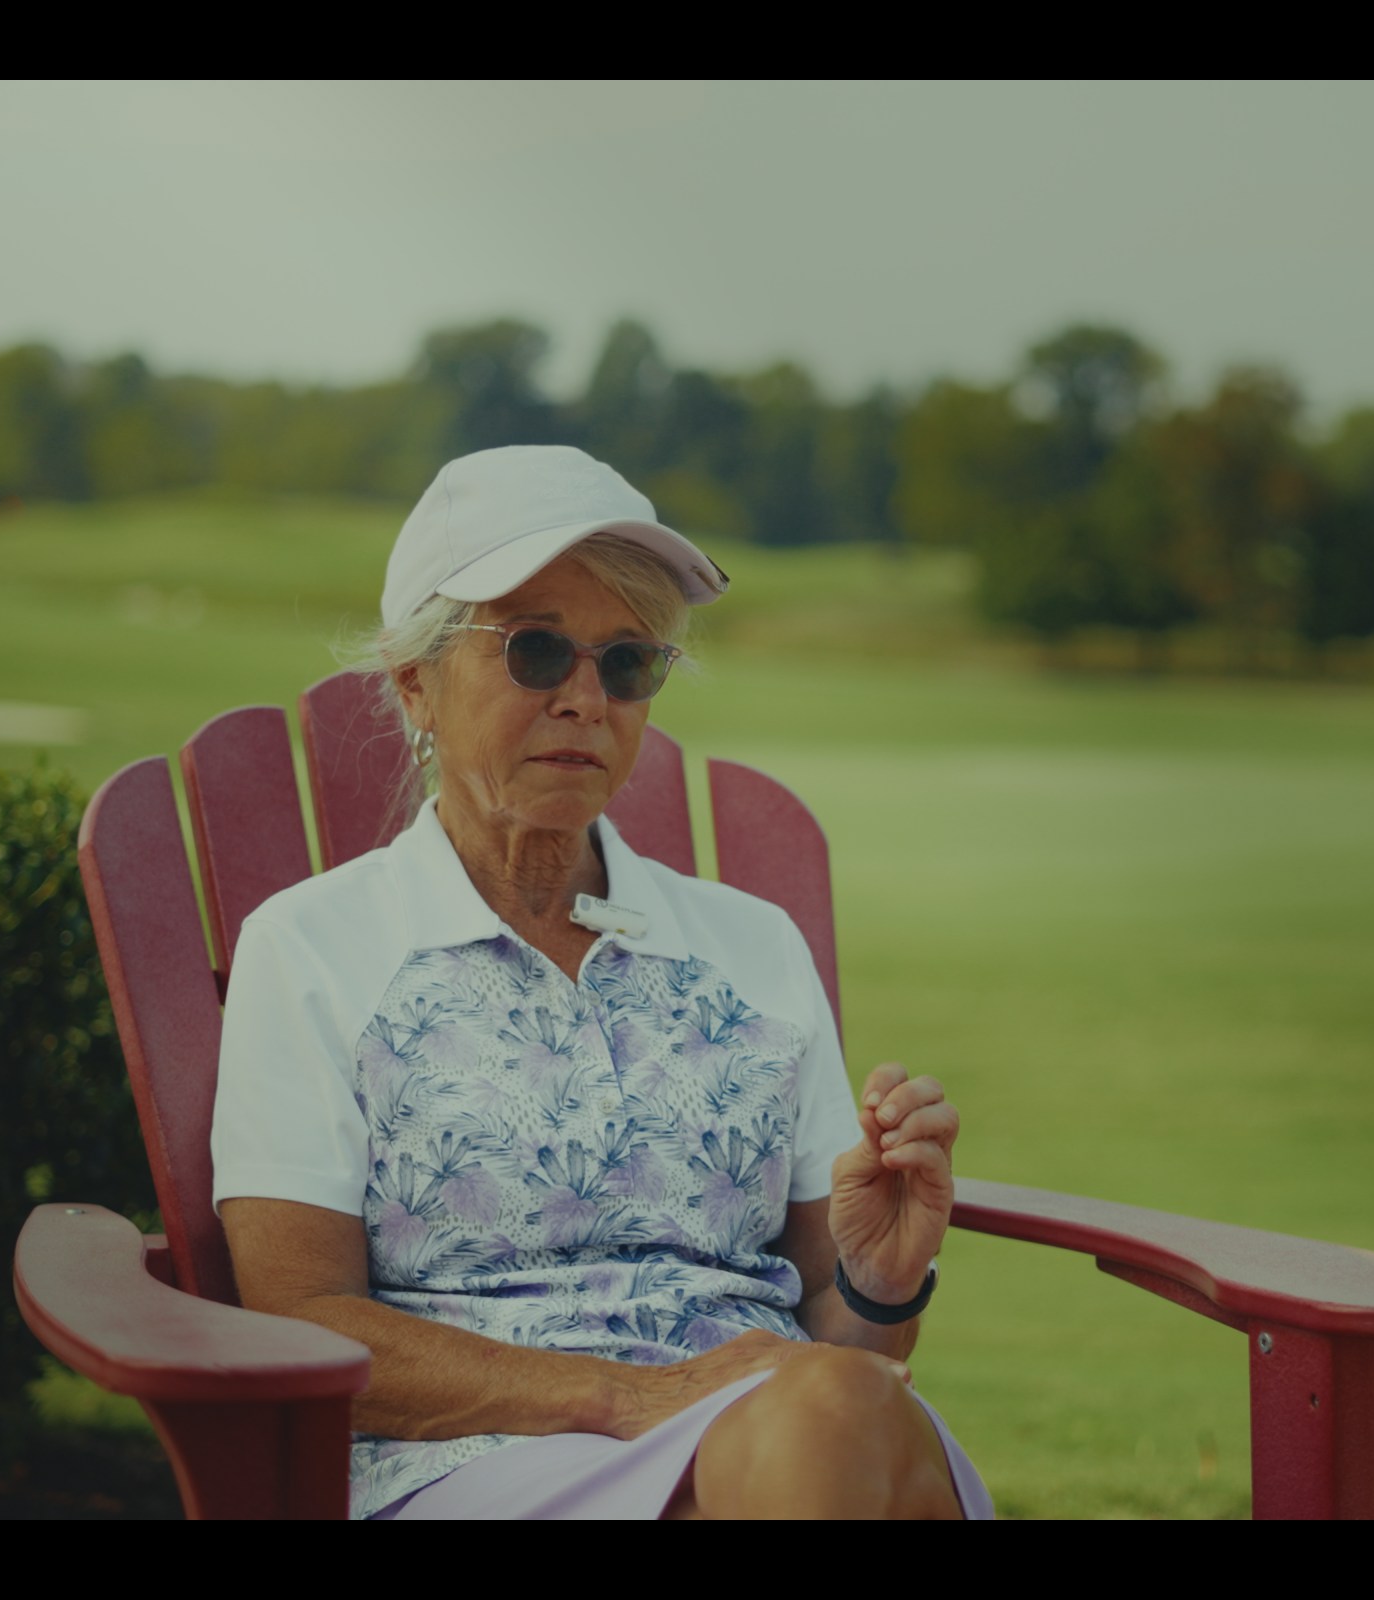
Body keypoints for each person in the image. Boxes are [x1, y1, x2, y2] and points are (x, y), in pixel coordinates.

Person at [212, 445, 990, 1519]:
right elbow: (301, 1316)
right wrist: (633, 1397)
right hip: (473, 1465)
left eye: (627, 663)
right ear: (414, 683)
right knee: (833, 1418)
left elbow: (851, 1340)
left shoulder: (751, 949)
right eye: (534, 650)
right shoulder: (315, 951)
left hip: (784, 1442)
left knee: (838, 1407)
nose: (586, 699)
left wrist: (882, 1282)